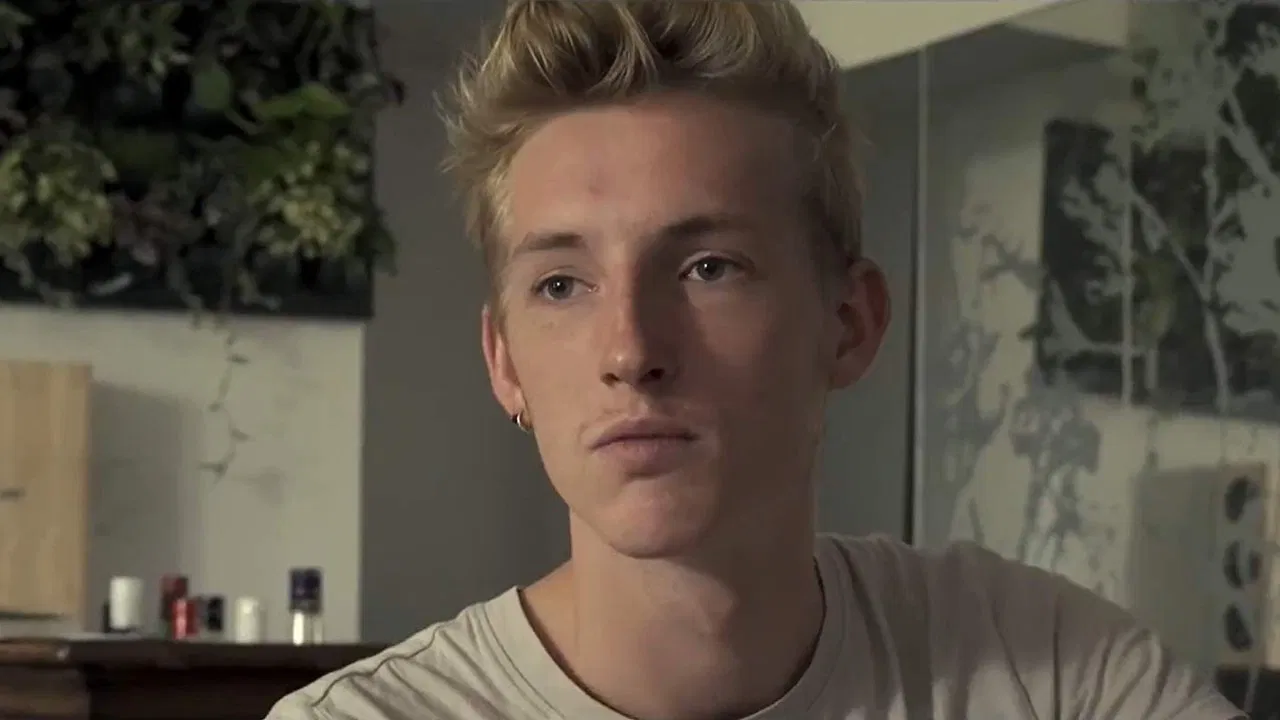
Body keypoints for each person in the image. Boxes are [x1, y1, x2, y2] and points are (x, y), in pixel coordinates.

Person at [267, 2, 1245, 719]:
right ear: (504, 362)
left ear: (848, 324)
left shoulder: (1045, 670)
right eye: (561, 284)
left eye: (708, 268)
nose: (631, 351)